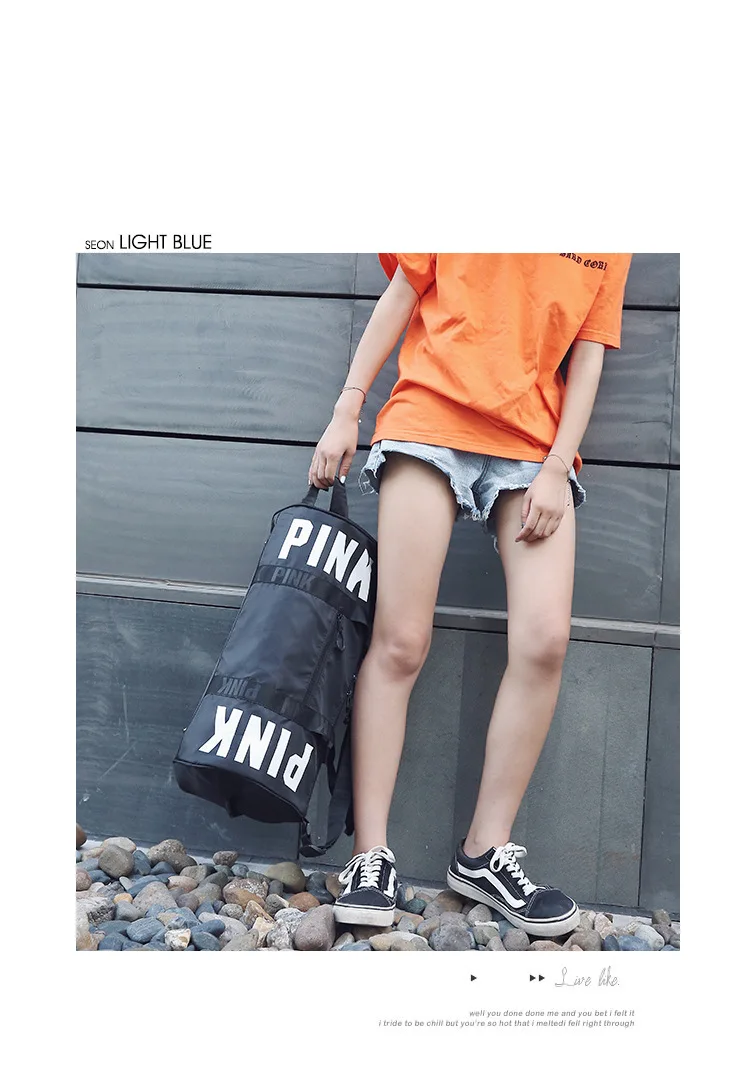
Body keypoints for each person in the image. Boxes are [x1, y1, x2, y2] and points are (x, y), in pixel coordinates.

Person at [308, 253, 632, 937]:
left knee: (545, 641)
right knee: (401, 641)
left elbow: (589, 352)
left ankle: (484, 851)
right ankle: (371, 854)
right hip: (429, 418)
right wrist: (347, 408)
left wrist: (556, 467)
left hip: (534, 444)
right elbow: (403, 293)